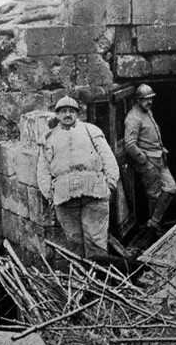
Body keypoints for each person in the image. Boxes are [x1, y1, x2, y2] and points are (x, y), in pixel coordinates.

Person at [37, 95, 119, 258]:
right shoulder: (49, 138)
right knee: (74, 242)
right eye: (63, 111)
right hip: (65, 196)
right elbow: (43, 169)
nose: (68, 114)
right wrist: (49, 194)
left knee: (96, 241)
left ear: (77, 114)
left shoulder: (91, 130)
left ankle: (99, 278)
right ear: (58, 115)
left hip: (94, 192)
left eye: (71, 111)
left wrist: (110, 183)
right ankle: (83, 280)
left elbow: (108, 157)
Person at [125, 84, 176, 233]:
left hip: (159, 157)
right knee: (154, 194)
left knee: (171, 188)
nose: (149, 102)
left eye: (151, 99)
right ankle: (153, 229)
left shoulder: (147, 112)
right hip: (148, 161)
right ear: (138, 100)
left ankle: (154, 221)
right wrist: (144, 160)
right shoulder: (133, 118)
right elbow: (130, 145)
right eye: (145, 99)